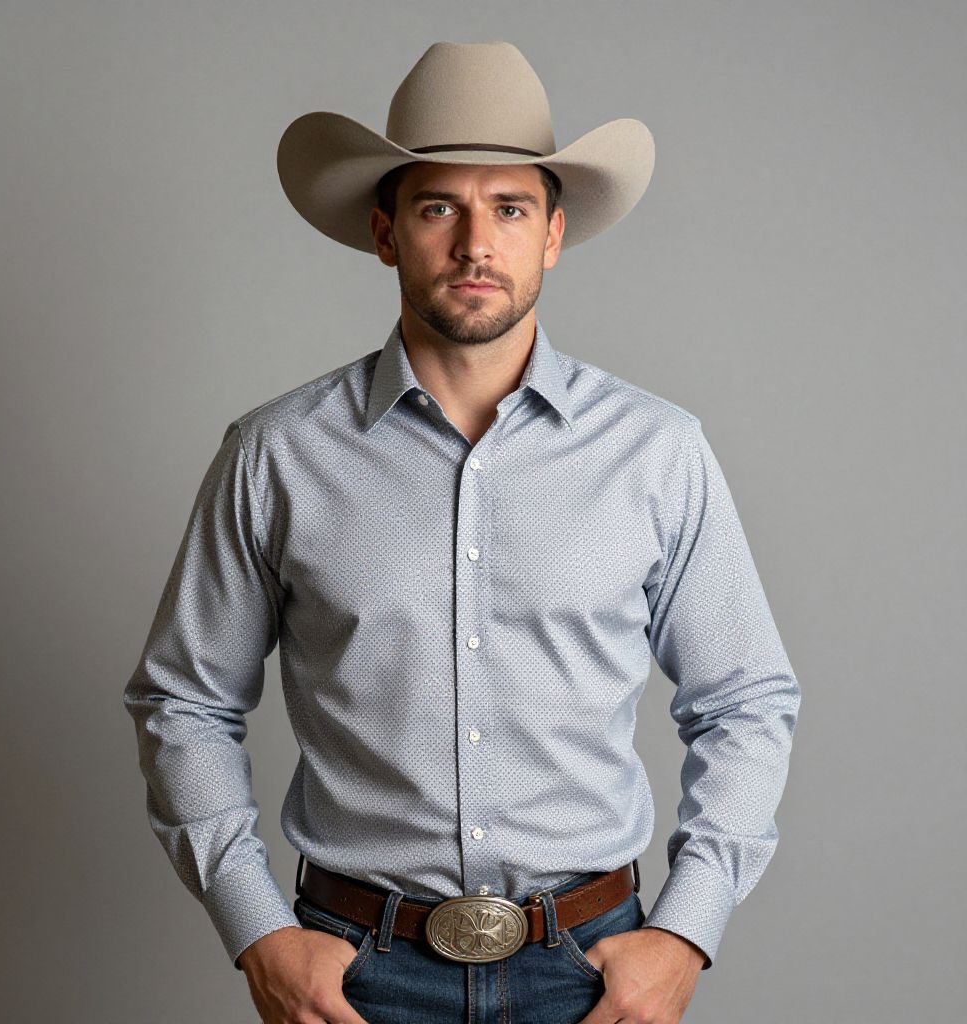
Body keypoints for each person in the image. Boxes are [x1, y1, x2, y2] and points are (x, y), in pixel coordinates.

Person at [123, 40, 801, 1024]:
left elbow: (744, 696)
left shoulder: (657, 453)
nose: (475, 243)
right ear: (386, 231)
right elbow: (184, 699)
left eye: (510, 209)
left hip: (591, 970)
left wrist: (687, 930)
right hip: (353, 976)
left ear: (553, 234)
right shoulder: (277, 454)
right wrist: (258, 931)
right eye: (440, 205)